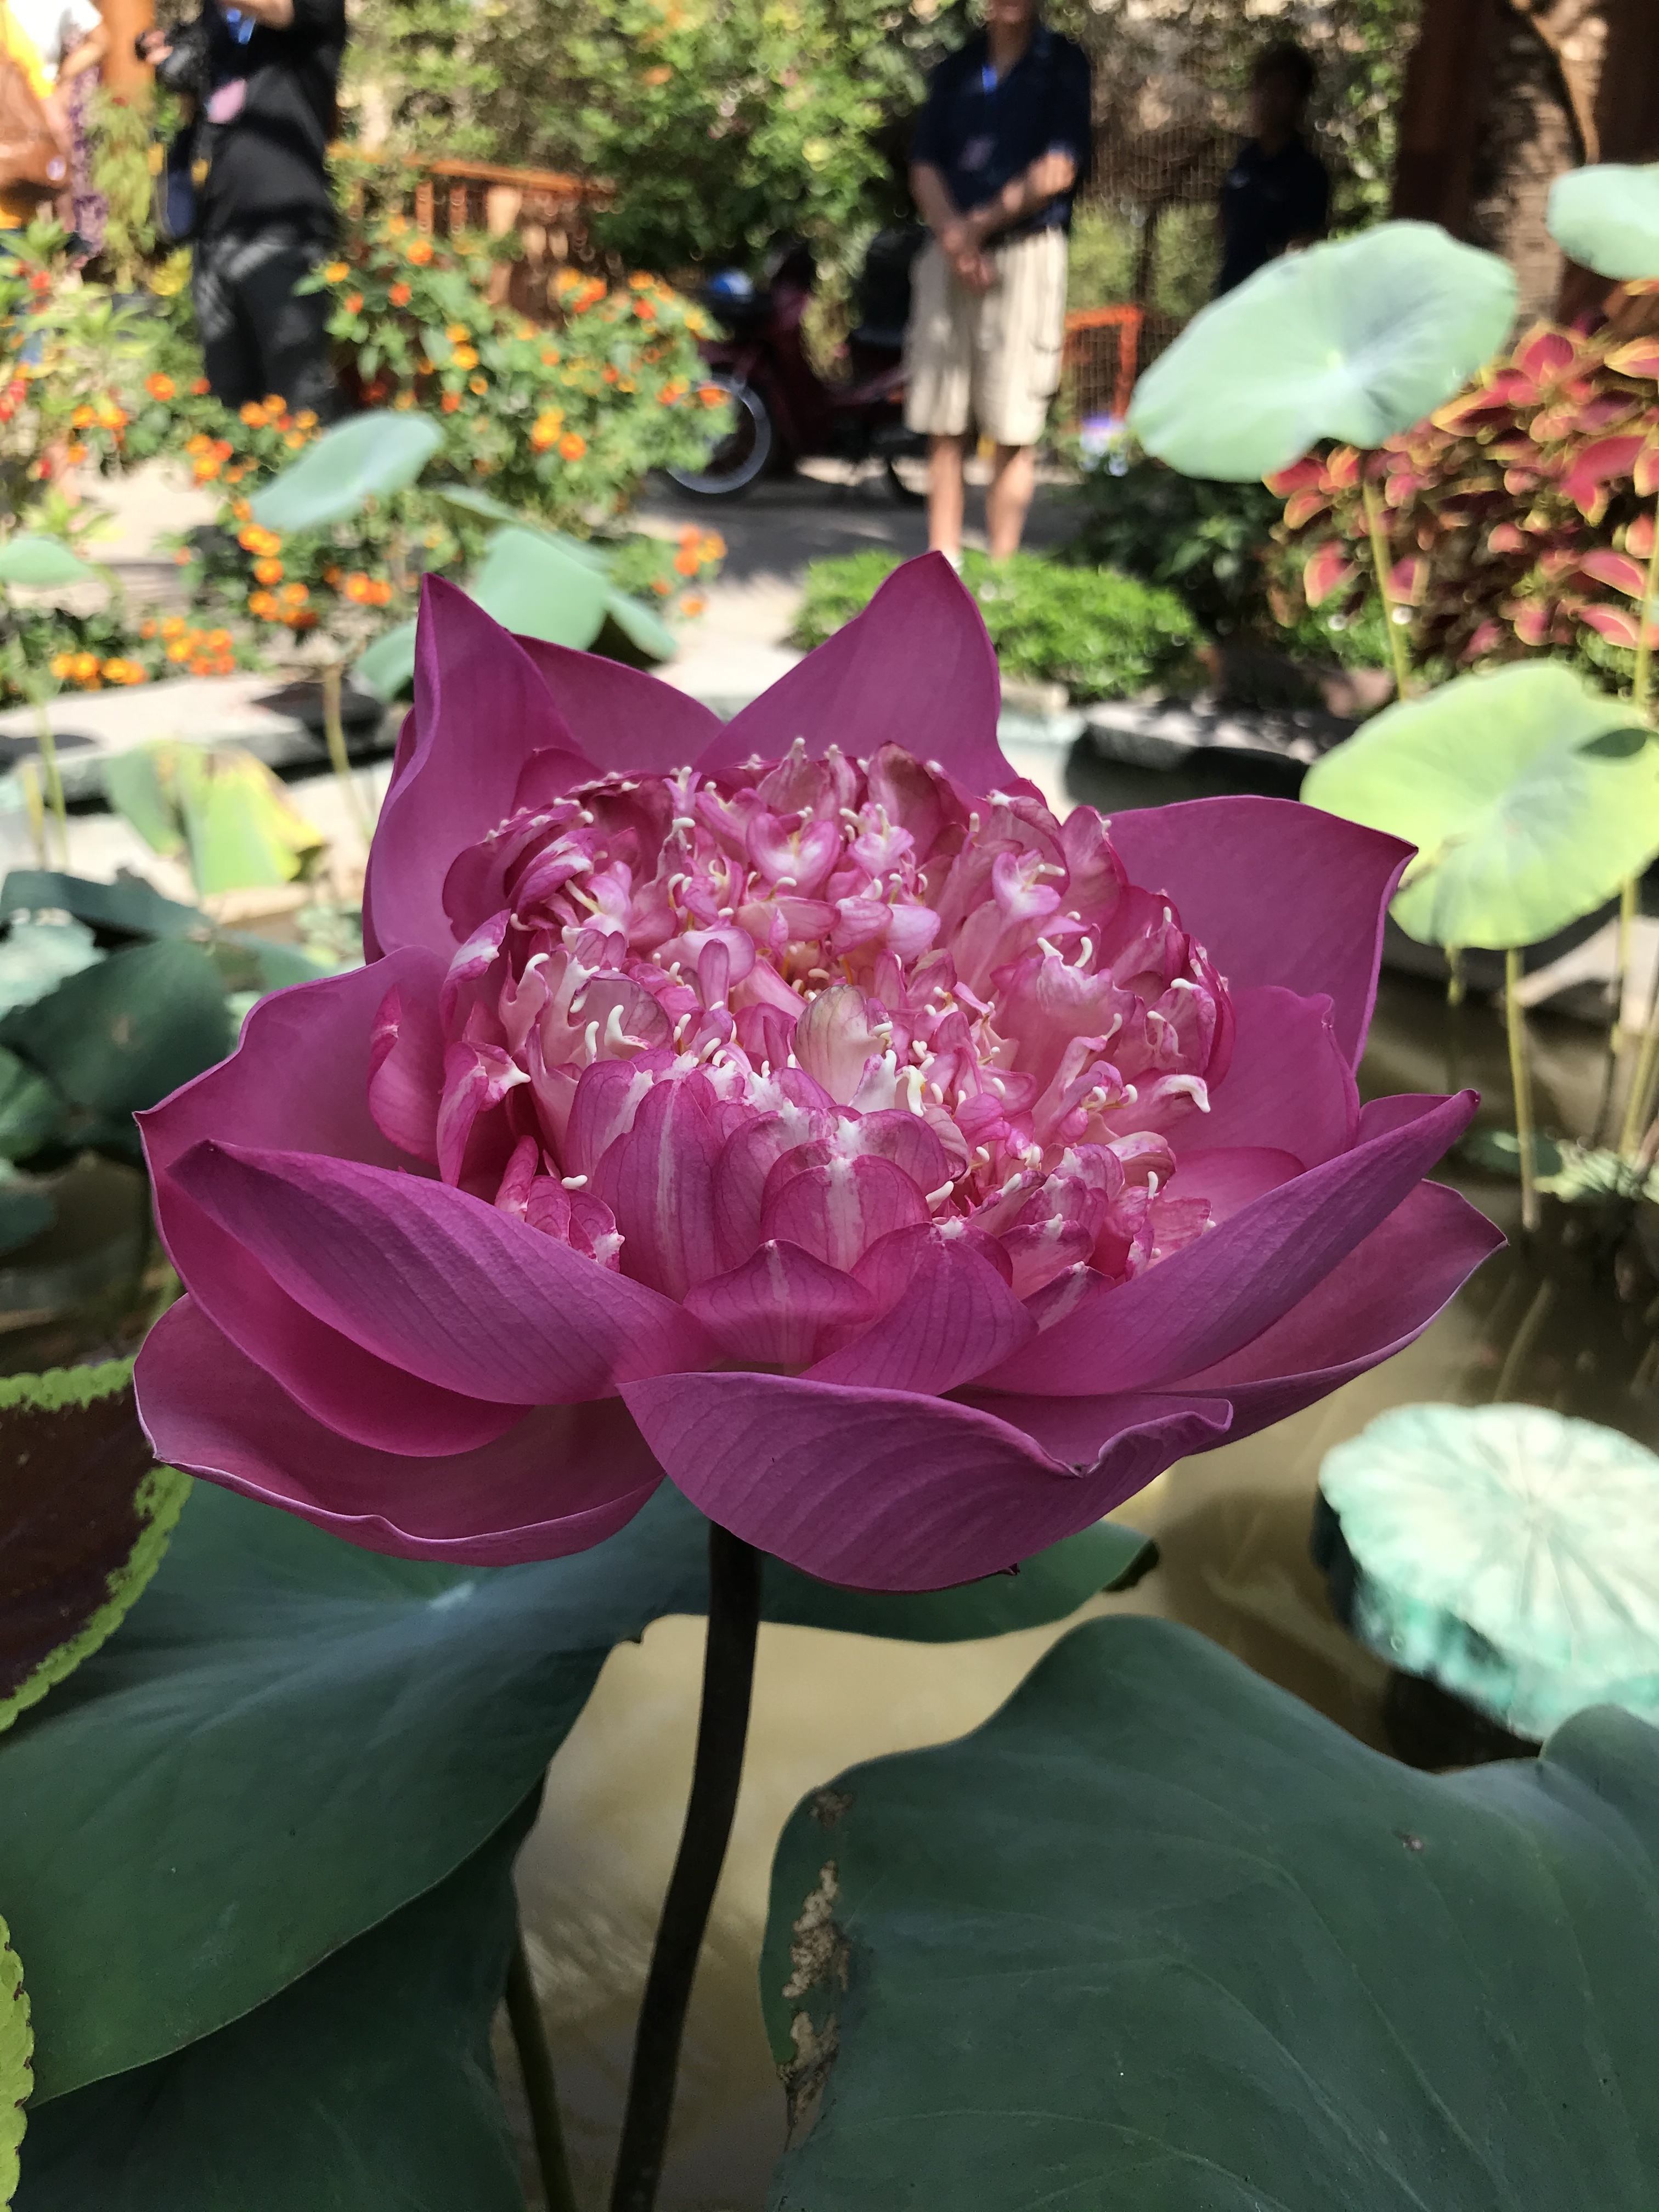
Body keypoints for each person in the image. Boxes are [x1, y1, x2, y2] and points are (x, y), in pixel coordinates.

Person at [905, 0, 1091, 563]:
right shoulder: (956, 68)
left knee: (1013, 423)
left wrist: (977, 228)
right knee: (943, 419)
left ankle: (1000, 576)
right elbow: (923, 164)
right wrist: (957, 239)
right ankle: (943, 562)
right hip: (950, 253)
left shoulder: (1063, 65)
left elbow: (1058, 168)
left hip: (1024, 254)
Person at [139, 0, 343, 417]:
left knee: (299, 400)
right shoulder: (218, 23)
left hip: (282, 231)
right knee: (228, 403)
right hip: (214, 230)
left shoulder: (315, 9)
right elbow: (198, 97)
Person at [1215, 40, 1329, 297]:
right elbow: (1222, 223)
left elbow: (1305, 247)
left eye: (1280, 90)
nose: (1268, 99)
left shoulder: (1308, 173)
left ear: (1300, 100)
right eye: (1262, 88)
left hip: (1274, 300)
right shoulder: (1244, 159)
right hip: (1229, 294)